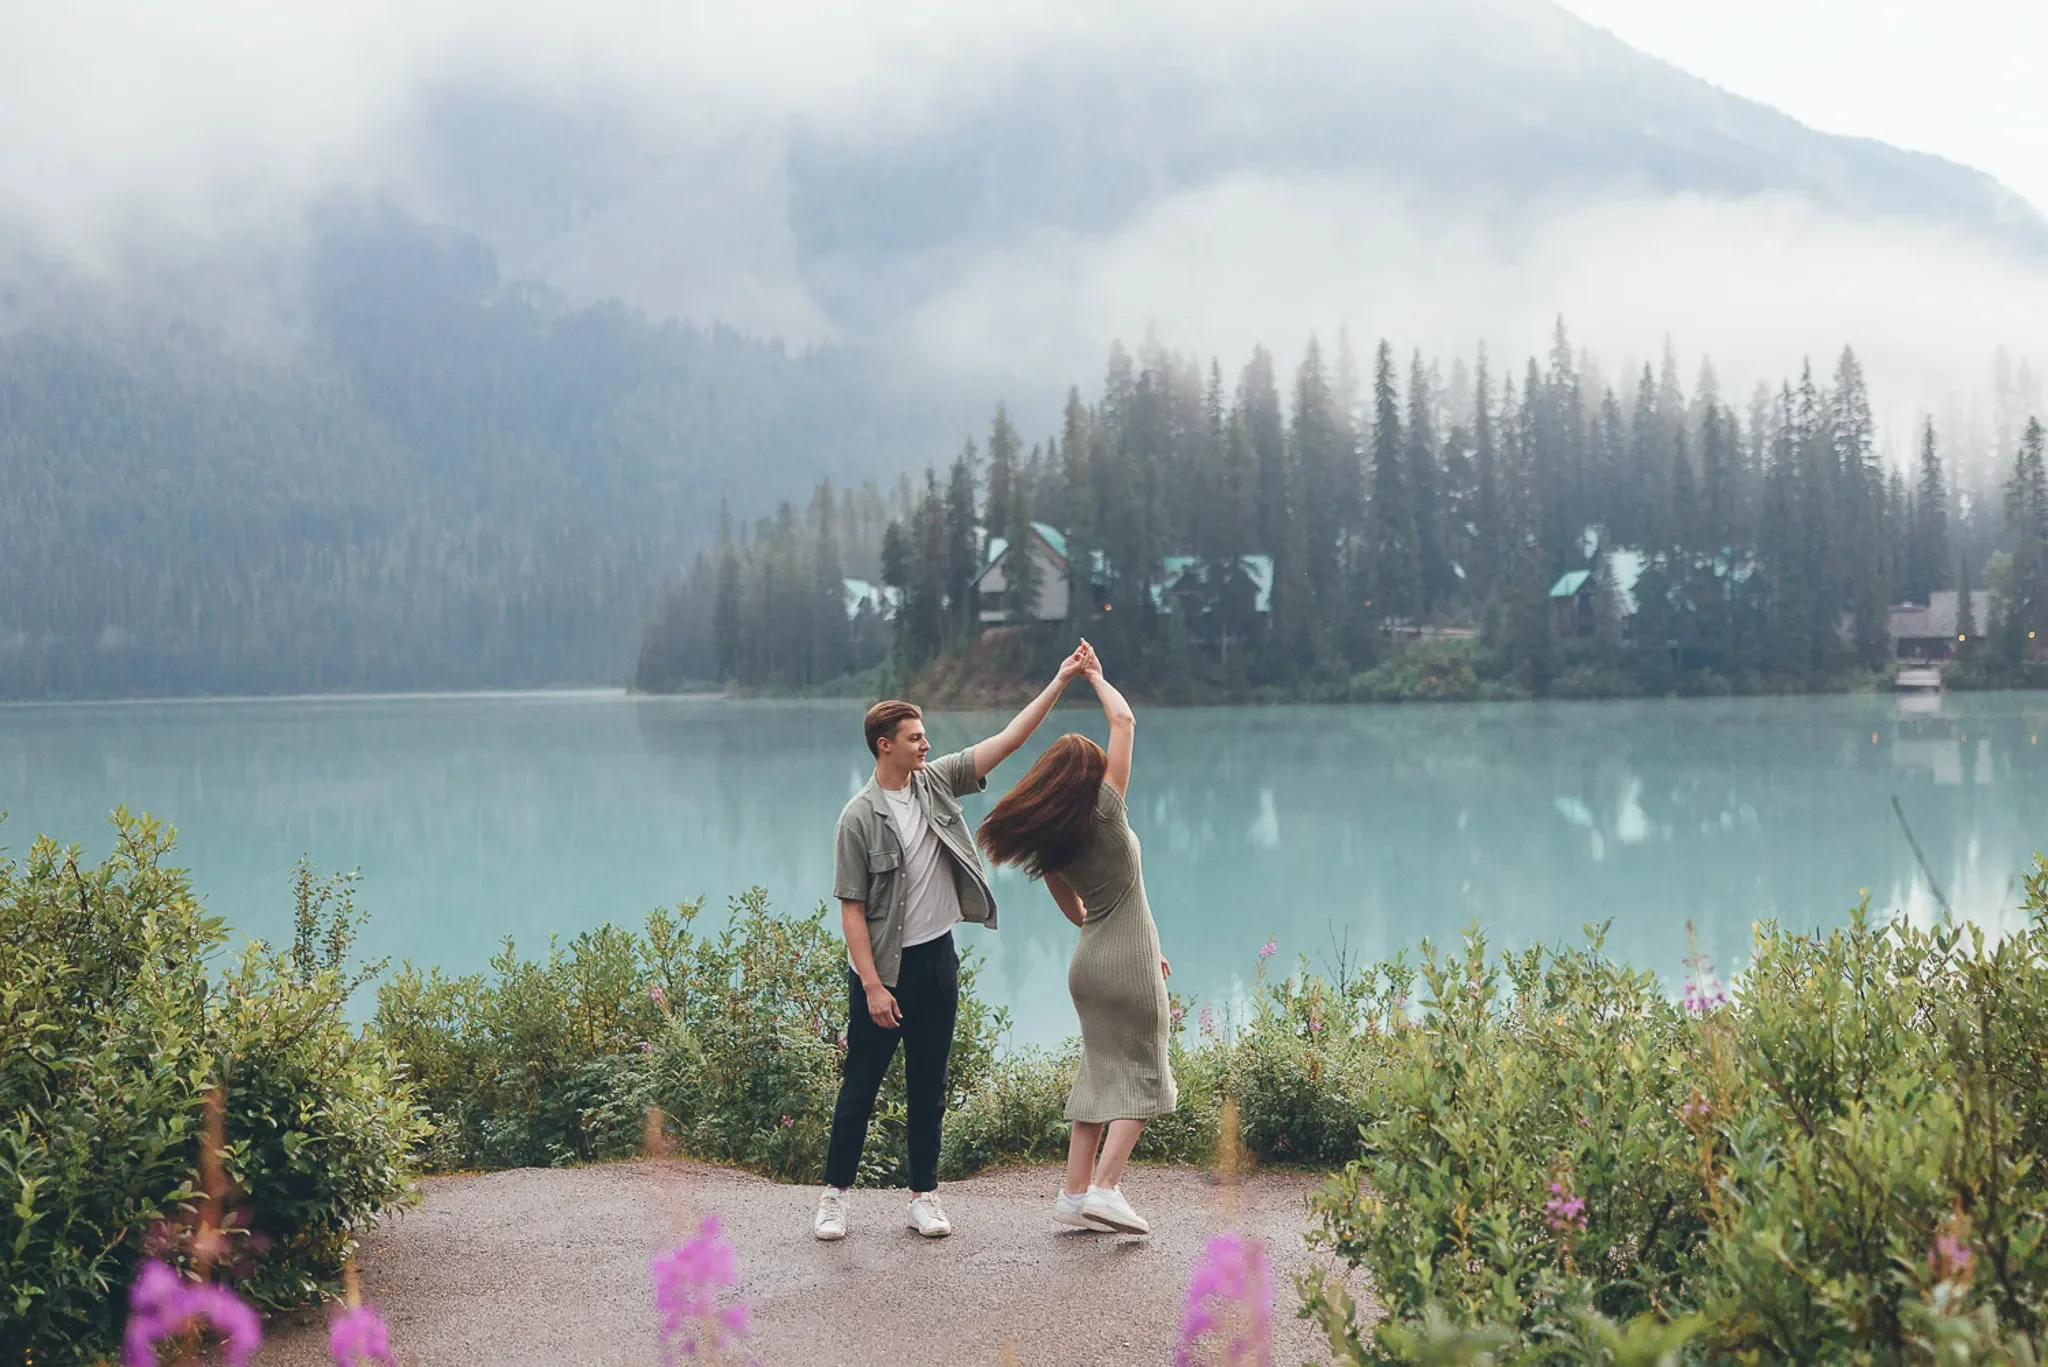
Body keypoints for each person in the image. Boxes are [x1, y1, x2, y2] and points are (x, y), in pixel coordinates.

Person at [816, 649, 1089, 1242]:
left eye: (925, 737)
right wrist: (871, 988)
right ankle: (834, 1197)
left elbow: (1009, 740)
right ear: (883, 744)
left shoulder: (937, 784)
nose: (925, 746)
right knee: (860, 1084)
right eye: (915, 738)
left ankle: (924, 1195)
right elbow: (853, 912)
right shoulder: (857, 819)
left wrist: (1061, 678)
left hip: (937, 961)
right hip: (882, 971)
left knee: (928, 1086)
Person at [976, 640, 1174, 1236]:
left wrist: (1124, 942)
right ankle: (1106, 1189)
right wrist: (1096, 675)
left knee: (1097, 1074)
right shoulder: (1107, 815)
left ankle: (1072, 1194)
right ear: (1088, 779)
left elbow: (1080, 911)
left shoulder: (1054, 844)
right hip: (1125, 959)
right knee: (1146, 1071)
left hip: (1089, 963)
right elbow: (1125, 719)